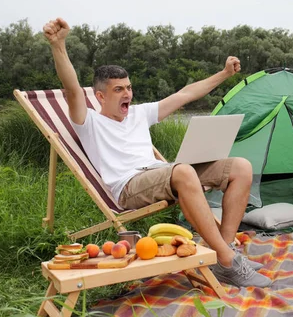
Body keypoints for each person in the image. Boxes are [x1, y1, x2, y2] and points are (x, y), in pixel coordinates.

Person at [43, 17, 271, 288]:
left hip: (162, 174)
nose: (127, 93)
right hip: (129, 185)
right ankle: (226, 260)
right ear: (100, 96)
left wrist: (224, 74)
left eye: (128, 87)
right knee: (183, 170)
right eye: (118, 89)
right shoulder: (88, 121)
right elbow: (71, 88)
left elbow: (185, 94)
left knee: (241, 167)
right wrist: (58, 45)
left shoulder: (139, 113)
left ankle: (226, 252)